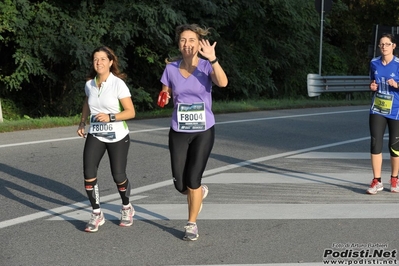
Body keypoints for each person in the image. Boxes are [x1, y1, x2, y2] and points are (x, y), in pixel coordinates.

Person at [159, 24, 228, 240]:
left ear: (199, 44)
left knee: (193, 178)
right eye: (183, 40)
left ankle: (191, 224)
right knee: (180, 184)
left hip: (203, 130)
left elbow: (223, 83)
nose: (187, 44)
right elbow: (165, 92)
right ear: (179, 44)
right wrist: (163, 97)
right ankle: (199, 192)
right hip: (179, 129)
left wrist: (213, 59)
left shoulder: (206, 67)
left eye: (191, 40)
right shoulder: (170, 68)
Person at [77, 46, 136, 232]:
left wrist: (110, 117)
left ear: (111, 62)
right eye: (95, 59)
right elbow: (87, 101)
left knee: (118, 175)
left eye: (103, 59)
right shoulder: (90, 84)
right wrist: (82, 122)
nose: (99, 62)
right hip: (96, 133)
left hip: (118, 135)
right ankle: (96, 213)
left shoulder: (118, 84)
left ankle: (126, 207)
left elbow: (131, 112)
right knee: (88, 172)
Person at [367, 33, 399, 194]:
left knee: (394, 146)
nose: (384, 47)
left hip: (396, 111)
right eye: (381, 44)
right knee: (375, 143)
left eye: (387, 44)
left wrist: (397, 84)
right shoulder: (374, 63)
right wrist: (372, 87)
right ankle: (376, 180)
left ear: (393, 46)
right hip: (378, 108)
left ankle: (394, 178)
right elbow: (372, 82)